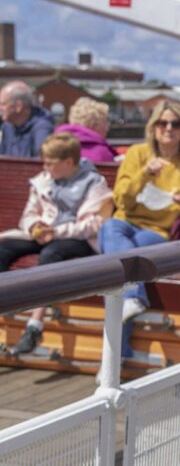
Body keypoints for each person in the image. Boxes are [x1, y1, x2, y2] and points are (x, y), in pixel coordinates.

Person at [98, 101, 180, 322]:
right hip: (126, 222)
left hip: (161, 231)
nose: (168, 129)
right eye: (162, 123)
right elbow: (121, 198)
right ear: (153, 127)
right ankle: (133, 297)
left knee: (118, 261)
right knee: (110, 228)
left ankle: (120, 348)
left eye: (175, 124)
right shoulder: (138, 154)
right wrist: (144, 173)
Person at [0, 133, 113, 355]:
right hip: (44, 234)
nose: (45, 166)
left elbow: (95, 224)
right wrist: (34, 226)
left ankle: (35, 324)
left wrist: (57, 231)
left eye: (50, 163)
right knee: (2, 250)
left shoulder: (94, 183)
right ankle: (6, 311)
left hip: (76, 239)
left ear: (69, 162)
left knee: (51, 255)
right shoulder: (43, 180)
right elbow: (29, 214)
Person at [55, 96, 118, 163]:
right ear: (92, 125)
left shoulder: (55, 145)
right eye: (105, 122)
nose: (108, 127)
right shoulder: (101, 152)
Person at [0, 80, 54, 157]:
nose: (0, 108)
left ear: (19, 106)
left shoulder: (42, 128)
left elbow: (42, 161)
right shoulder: (7, 126)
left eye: (3, 104)